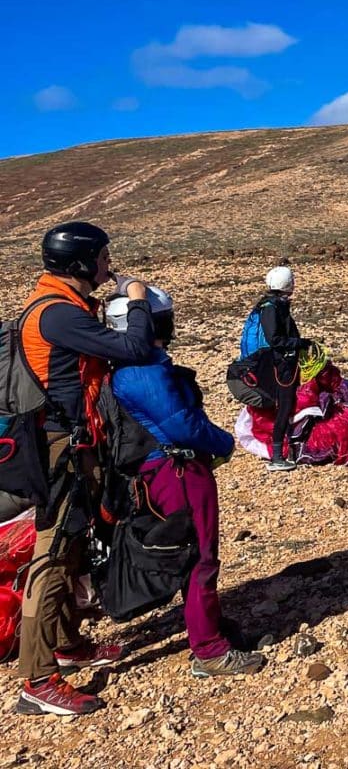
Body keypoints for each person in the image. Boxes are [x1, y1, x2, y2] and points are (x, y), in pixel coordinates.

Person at [14, 222, 155, 717]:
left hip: (74, 445)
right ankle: (36, 677)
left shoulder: (63, 308)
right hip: (61, 449)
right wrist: (136, 299)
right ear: (79, 263)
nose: (108, 266)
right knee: (51, 557)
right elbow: (135, 348)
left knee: (72, 549)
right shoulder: (56, 315)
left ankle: (68, 645)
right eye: (102, 258)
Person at [105, 289, 266, 678]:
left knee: (190, 550)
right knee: (199, 555)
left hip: (160, 471)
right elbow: (181, 424)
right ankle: (209, 649)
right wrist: (223, 442)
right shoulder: (144, 372)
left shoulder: (129, 367)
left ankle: (206, 626)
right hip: (177, 471)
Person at [238, 267, 305, 472]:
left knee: (284, 406)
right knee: (284, 407)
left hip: (279, 364)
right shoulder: (272, 308)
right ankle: (277, 456)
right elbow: (275, 339)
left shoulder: (272, 305)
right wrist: (300, 343)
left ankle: (285, 449)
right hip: (280, 366)